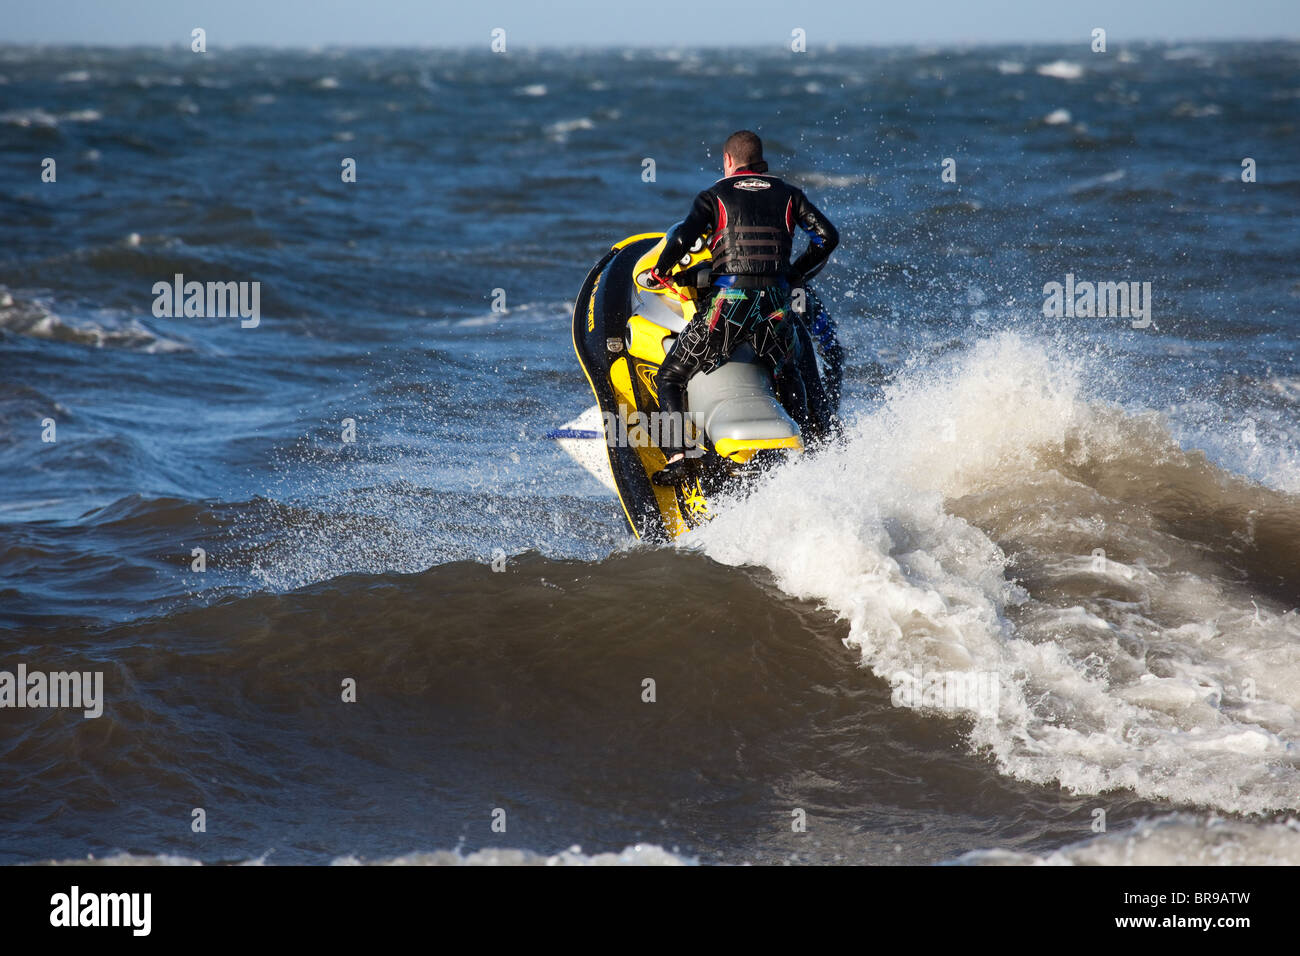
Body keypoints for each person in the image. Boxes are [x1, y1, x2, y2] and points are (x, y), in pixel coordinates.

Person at [649, 130, 839, 486]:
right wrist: (794, 273)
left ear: (728, 161)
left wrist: (661, 270)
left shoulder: (715, 195)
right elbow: (828, 237)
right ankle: (802, 455)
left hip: (729, 306)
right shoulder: (789, 194)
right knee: (787, 369)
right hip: (776, 308)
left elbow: (681, 239)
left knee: (670, 375)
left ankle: (678, 458)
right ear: (760, 159)